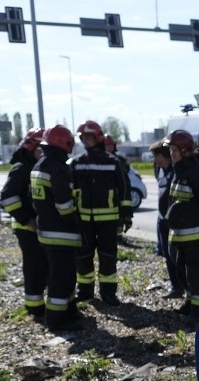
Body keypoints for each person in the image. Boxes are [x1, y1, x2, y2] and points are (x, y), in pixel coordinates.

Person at [69, 121, 133, 306]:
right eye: (83, 138)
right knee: (83, 256)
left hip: (109, 219)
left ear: (97, 138)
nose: (86, 141)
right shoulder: (77, 163)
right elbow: (70, 191)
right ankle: (85, 291)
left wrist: (126, 215)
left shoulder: (113, 162)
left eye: (89, 137)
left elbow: (124, 189)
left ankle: (108, 293)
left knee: (108, 257)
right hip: (83, 220)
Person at [30, 125, 84, 331]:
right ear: (65, 143)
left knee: (64, 275)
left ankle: (69, 311)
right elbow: (64, 205)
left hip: (46, 230)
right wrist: (76, 222)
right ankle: (56, 320)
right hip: (61, 233)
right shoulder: (58, 168)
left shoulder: (39, 166)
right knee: (61, 278)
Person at [0, 127, 49, 319]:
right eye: (40, 149)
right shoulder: (21, 169)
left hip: (37, 227)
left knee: (44, 266)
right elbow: (7, 198)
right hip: (26, 228)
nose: (44, 153)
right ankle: (34, 308)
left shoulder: (38, 168)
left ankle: (39, 304)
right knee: (34, 267)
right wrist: (26, 220)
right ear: (31, 148)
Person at [164, 129, 199, 318]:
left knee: (195, 274)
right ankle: (190, 301)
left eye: (174, 150)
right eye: (170, 150)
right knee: (182, 272)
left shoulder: (194, 173)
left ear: (185, 151)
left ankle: (198, 311)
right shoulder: (179, 171)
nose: (171, 154)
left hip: (196, 236)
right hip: (181, 235)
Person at [150, 140, 182, 298]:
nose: (153, 160)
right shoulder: (160, 170)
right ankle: (175, 287)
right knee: (167, 256)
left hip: (172, 223)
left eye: (154, 156)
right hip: (162, 220)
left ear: (163, 156)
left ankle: (180, 287)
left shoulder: (174, 171)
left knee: (174, 256)